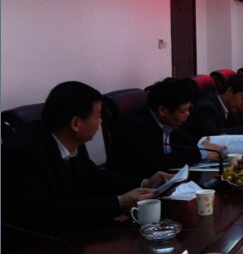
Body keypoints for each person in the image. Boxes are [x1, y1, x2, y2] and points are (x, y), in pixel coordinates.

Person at [1, 81, 171, 231]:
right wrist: (118, 203)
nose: (101, 122)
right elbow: (46, 212)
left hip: (71, 231)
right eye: (98, 116)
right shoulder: (23, 151)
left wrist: (146, 183)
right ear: (76, 123)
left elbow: (96, 179)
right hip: (33, 244)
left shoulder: (72, 140)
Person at [109, 78, 224, 178]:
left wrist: (201, 145)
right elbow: (155, 163)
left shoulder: (171, 120)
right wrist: (200, 153)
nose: (187, 114)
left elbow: (184, 142)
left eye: (188, 109)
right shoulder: (133, 126)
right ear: (162, 110)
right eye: (183, 111)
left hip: (168, 178)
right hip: (138, 186)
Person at [182, 74, 243, 140]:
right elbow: (212, 134)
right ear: (229, 91)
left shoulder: (228, 106)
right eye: (242, 98)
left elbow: (238, 122)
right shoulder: (207, 107)